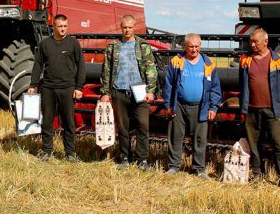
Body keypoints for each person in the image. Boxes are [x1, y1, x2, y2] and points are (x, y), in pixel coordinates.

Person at [99, 15, 159, 168]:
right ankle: (125, 158)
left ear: (134, 27)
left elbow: (151, 69)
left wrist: (151, 90)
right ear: (121, 27)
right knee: (123, 128)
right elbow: (106, 70)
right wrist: (105, 92)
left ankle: (142, 160)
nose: (127, 30)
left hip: (140, 92)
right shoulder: (113, 47)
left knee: (142, 126)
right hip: (119, 91)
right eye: (125, 27)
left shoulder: (143, 46)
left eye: (130, 27)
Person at [27, 14, 86, 161]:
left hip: (67, 88)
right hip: (48, 88)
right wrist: (33, 84)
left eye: (65, 26)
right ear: (54, 26)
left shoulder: (73, 43)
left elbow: (81, 66)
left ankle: (70, 153)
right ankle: (47, 151)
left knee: (68, 122)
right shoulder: (45, 44)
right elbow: (38, 65)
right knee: (47, 121)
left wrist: (79, 87)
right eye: (60, 26)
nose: (63, 29)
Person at [239, 28, 280, 186]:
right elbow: (242, 83)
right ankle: (257, 174)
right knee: (254, 144)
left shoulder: (278, 60)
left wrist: (277, 103)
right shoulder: (245, 59)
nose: (252, 44)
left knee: (278, 144)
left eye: (256, 41)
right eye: (251, 41)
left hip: (271, 109)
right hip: (251, 109)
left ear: (266, 42)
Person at [164, 34, 221, 176]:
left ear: (200, 46)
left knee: (200, 139)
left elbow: (215, 87)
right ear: (185, 46)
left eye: (197, 46)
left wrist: (213, 107)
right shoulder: (176, 61)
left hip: (201, 106)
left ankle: (199, 169)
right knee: (175, 136)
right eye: (191, 46)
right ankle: (174, 166)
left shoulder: (208, 64)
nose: (194, 49)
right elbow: (168, 84)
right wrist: (168, 105)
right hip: (179, 105)